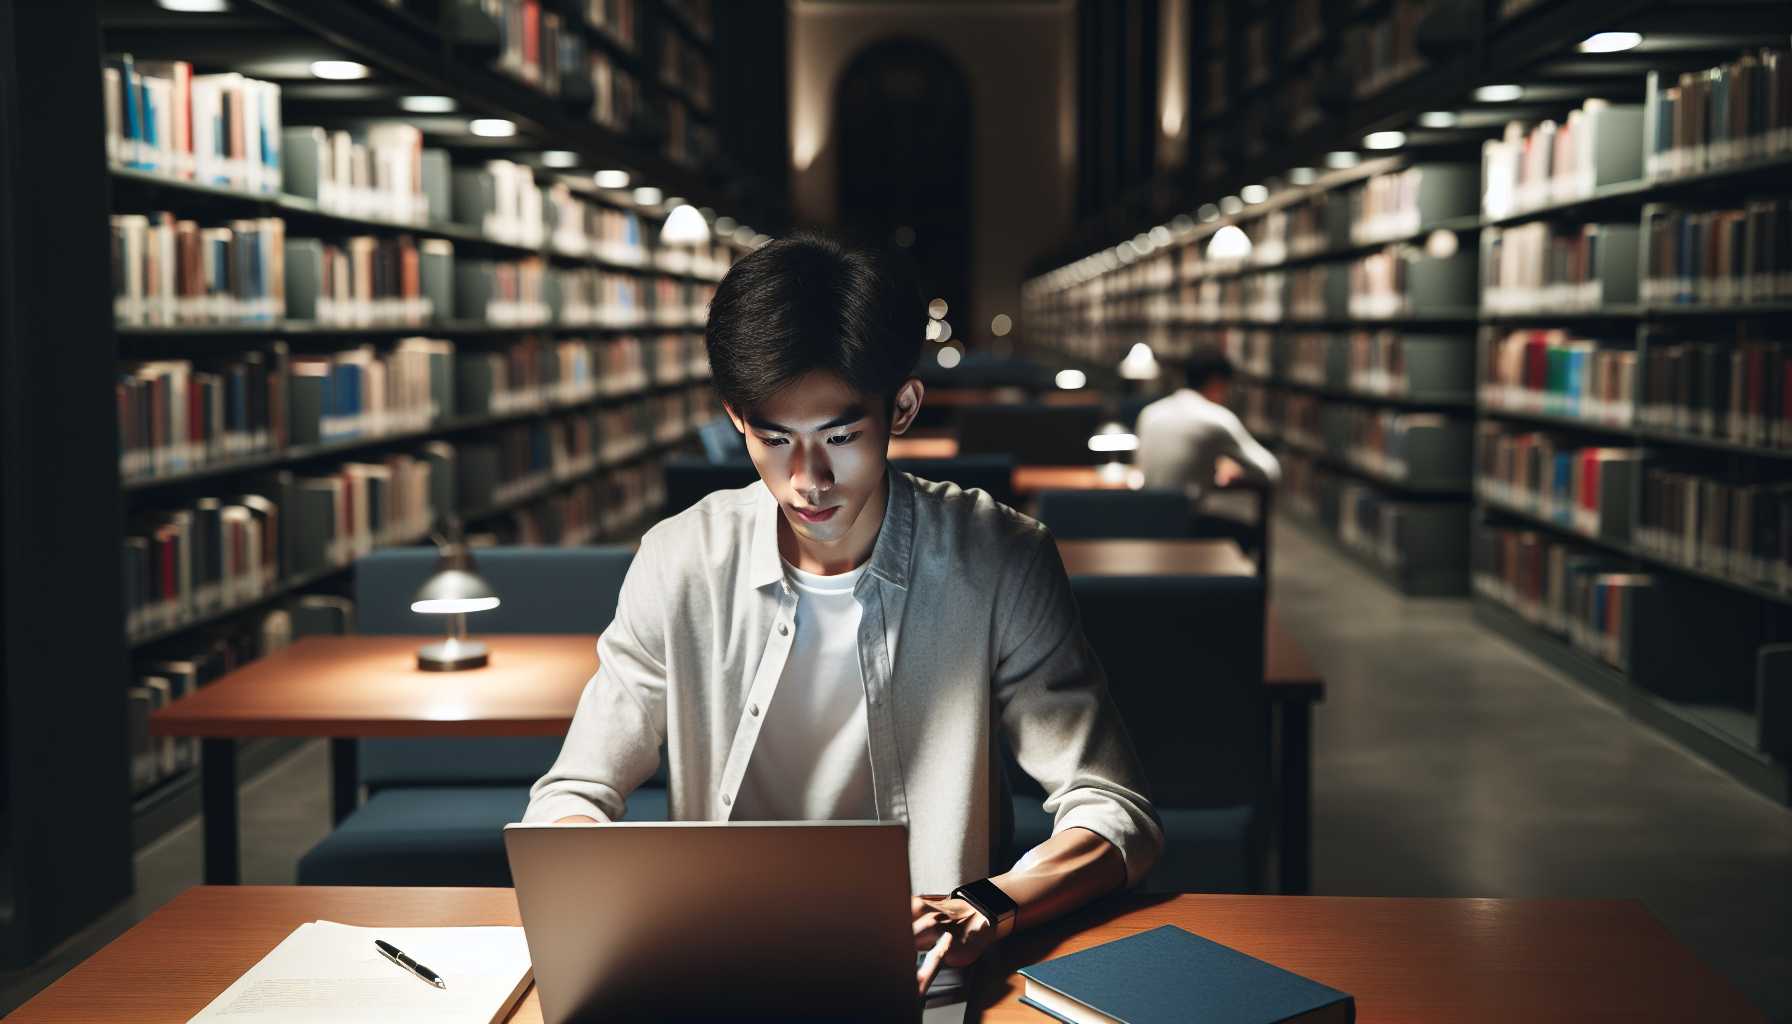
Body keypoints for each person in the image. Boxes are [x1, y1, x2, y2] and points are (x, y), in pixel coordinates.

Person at [524, 233, 1162, 988]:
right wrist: (598, 878)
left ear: (903, 407)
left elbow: (1111, 807)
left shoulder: (999, 558)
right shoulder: (678, 558)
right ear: (736, 420)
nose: (808, 480)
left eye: (840, 436)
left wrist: (986, 906)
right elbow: (573, 792)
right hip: (714, 964)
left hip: (925, 974)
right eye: (775, 439)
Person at [1134, 344, 1281, 545]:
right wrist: (1238, 469)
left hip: (1144, 521)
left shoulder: (1150, 413)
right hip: (1184, 526)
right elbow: (1270, 470)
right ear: (1216, 382)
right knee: (1250, 535)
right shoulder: (1216, 419)